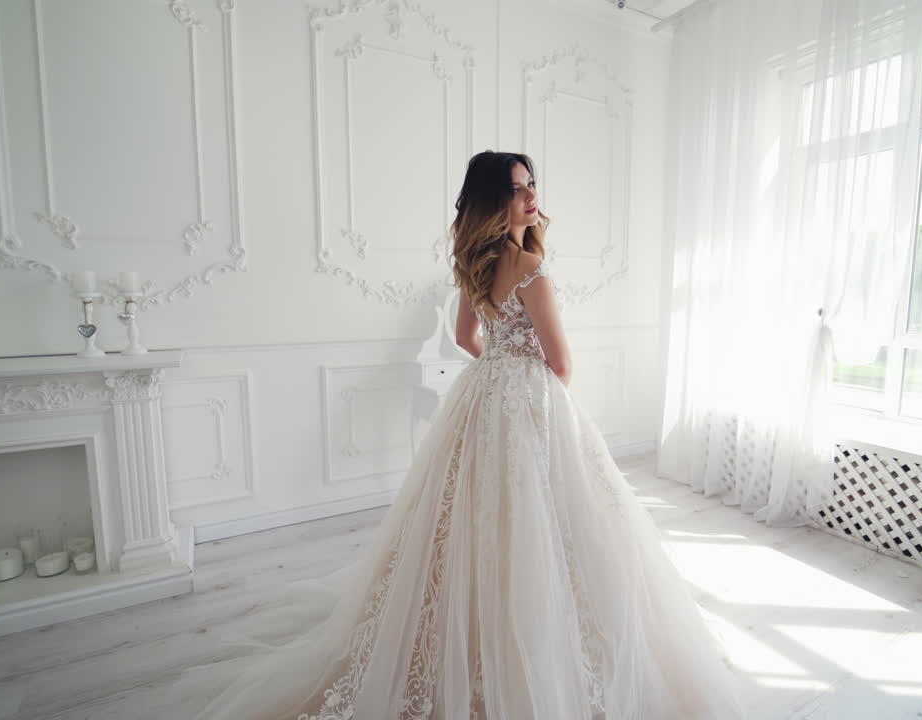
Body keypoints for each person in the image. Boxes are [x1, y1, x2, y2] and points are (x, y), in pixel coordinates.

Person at [183, 151, 745, 719]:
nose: (530, 196)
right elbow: (561, 363)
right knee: (545, 520)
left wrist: (499, 368)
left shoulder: (475, 264)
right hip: (529, 403)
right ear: (494, 200)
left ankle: (465, 625)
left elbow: (465, 335)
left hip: (484, 398)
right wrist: (532, 389)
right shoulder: (532, 271)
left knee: (472, 519)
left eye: (531, 184)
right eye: (516, 189)